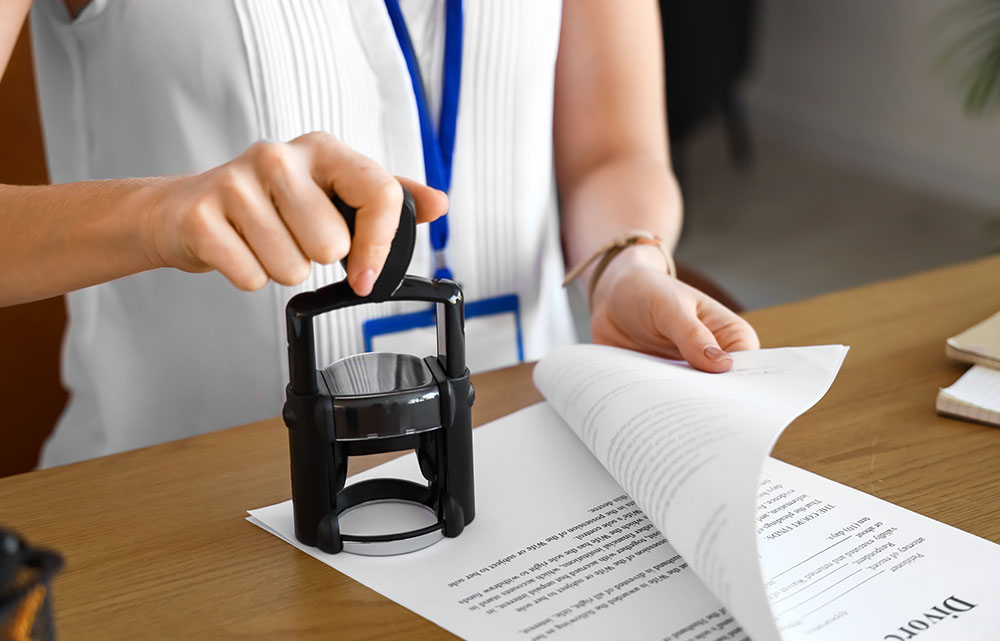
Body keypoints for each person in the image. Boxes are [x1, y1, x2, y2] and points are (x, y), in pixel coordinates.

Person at [0, 0, 759, 467]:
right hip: (195, 511)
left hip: (537, 465)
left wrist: (624, 264)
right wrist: (158, 214)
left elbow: (612, 152)